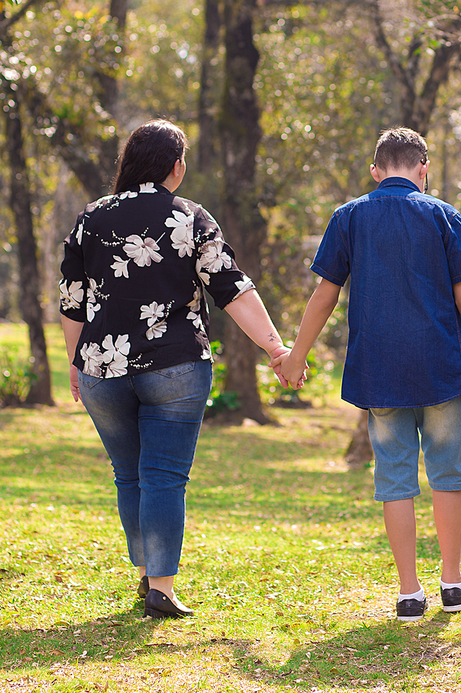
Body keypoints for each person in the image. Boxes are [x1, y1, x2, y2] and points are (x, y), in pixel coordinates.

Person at [276, 127, 461, 621]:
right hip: (440, 366)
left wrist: (297, 355)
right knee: (447, 473)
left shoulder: (349, 216)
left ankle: (409, 592)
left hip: (379, 369)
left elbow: (325, 294)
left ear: (375, 171)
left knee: (394, 477)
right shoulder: (444, 215)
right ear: (423, 168)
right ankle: (452, 583)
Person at [59, 119, 290, 619]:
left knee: (128, 474)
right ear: (176, 167)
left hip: (102, 367)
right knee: (163, 476)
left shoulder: (90, 218)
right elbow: (230, 287)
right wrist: (276, 347)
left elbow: (72, 300)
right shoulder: (189, 217)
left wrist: (76, 361)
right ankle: (161, 588)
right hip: (176, 366)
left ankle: (147, 572)